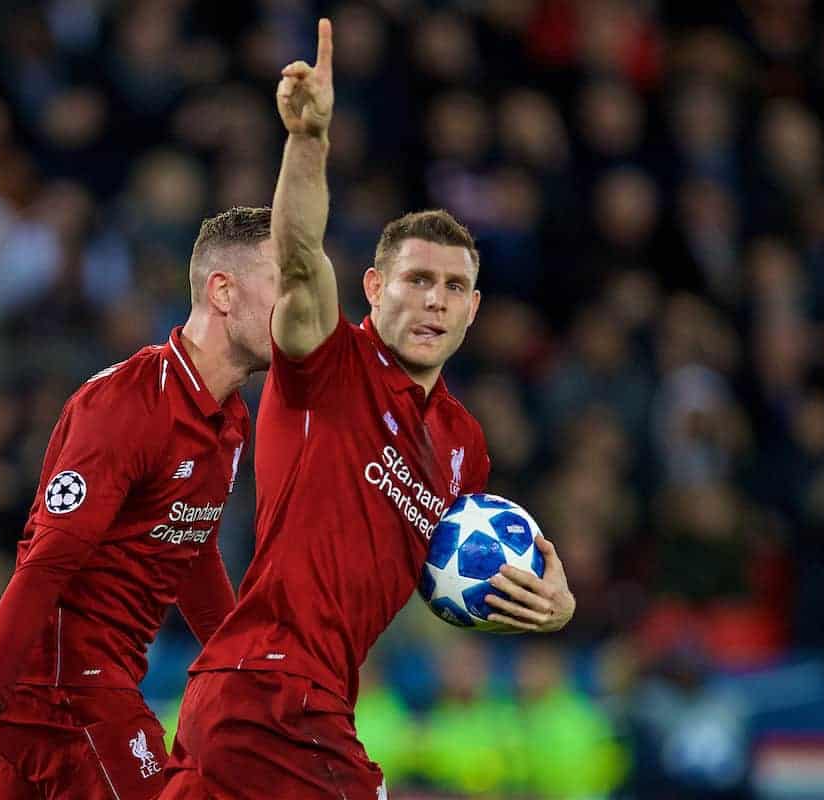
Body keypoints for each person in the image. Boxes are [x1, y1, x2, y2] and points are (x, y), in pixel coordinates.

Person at [160, 19, 576, 799]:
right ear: (376, 288)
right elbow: (297, 255)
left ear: (474, 310)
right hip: (273, 693)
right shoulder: (328, 363)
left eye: (454, 287)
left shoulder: (463, 446)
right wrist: (308, 142)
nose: (434, 301)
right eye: (416, 279)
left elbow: (431, 582)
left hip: (288, 698)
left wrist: (542, 608)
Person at [0, 206, 281, 799]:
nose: (301, 304)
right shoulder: (126, 405)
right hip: (66, 688)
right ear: (223, 291)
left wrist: (243, 671)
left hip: (71, 685)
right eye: (285, 280)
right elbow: (48, 560)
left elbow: (193, 552)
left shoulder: (230, 421)